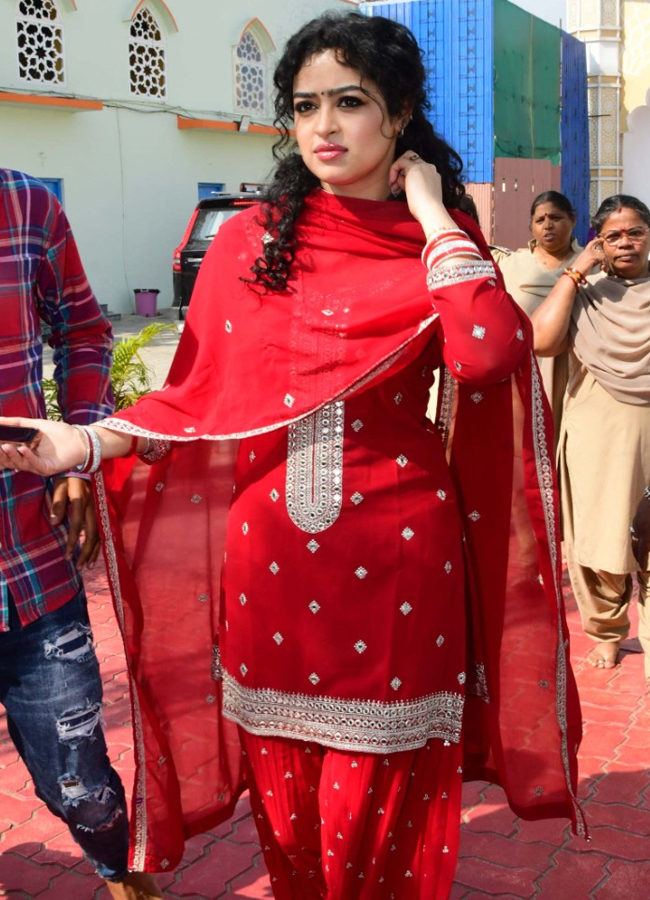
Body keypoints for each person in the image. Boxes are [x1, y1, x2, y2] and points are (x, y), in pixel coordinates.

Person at [0, 14, 584, 900]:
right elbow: (192, 399)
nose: (323, 126)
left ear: (401, 116)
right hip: (269, 556)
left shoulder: (437, 246)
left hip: (399, 558)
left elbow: (490, 353)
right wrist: (78, 442)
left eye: (350, 102)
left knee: (377, 808)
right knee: (291, 811)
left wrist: (430, 210)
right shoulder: (248, 245)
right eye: (305, 105)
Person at [0, 169, 161, 900]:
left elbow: (86, 333)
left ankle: (124, 881)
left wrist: (81, 448)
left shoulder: (27, 204)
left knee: (84, 781)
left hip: (32, 559)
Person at [532, 194, 650, 680]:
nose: (626, 241)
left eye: (636, 231)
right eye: (614, 234)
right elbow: (541, 339)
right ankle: (606, 632)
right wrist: (576, 271)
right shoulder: (585, 291)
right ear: (599, 240)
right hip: (594, 440)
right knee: (598, 545)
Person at [499, 191, 583, 441]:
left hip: (575, 371)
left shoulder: (592, 264)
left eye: (556, 217)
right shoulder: (510, 265)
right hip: (524, 370)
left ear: (573, 219)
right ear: (531, 226)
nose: (548, 225)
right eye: (540, 220)